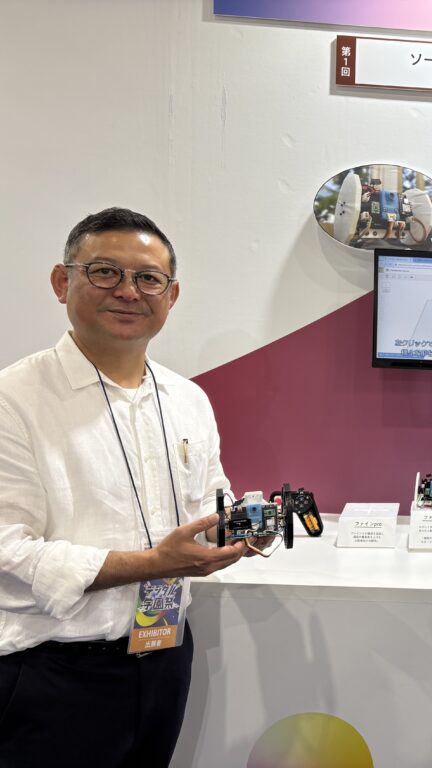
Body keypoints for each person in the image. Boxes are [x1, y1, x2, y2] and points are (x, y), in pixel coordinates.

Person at [0, 208, 249, 766]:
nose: (129, 292)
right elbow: (7, 550)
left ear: (172, 295)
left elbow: (209, 498)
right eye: (105, 271)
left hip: (164, 654)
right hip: (51, 672)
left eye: (148, 278)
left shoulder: (188, 399)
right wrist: (155, 563)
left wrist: (236, 528)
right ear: (62, 281)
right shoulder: (13, 399)